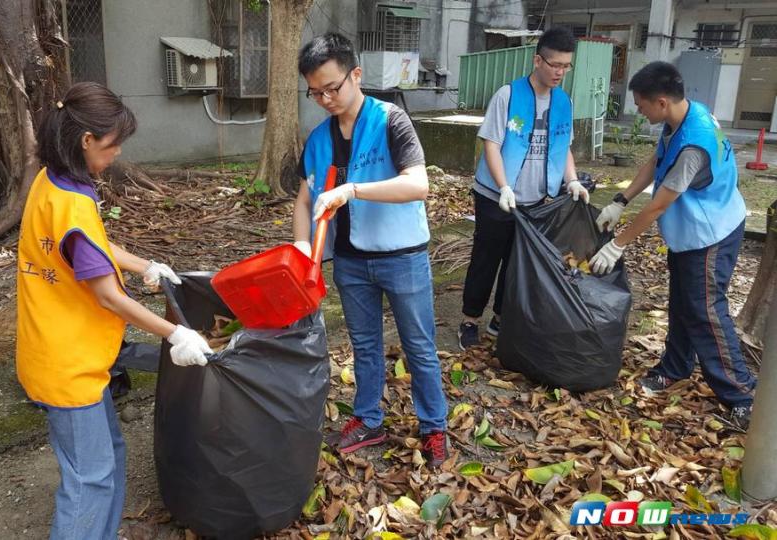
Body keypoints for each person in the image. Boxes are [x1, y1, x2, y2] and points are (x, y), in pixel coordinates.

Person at [15, 82, 213, 539]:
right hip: (69, 366)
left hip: (67, 353)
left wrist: (147, 265)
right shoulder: (72, 205)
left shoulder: (53, 181)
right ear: (86, 141)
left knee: (108, 460)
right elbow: (107, 295)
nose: (117, 153)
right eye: (112, 144)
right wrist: (175, 333)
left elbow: (90, 247)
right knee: (89, 481)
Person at [292, 33, 449, 467]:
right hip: (350, 261)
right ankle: (368, 419)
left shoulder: (390, 120)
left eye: (332, 88)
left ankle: (434, 427)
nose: (325, 99)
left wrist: (353, 189)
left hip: (402, 257)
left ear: (355, 74)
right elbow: (304, 200)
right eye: (315, 92)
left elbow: (418, 184)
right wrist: (302, 246)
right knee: (364, 345)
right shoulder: (319, 138)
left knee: (419, 346)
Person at [589, 61, 755, 429]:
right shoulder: (682, 118)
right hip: (691, 231)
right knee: (684, 302)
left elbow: (661, 204)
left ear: (661, 101)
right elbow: (656, 161)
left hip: (713, 232)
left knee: (706, 310)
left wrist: (618, 244)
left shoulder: (693, 144)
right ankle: (675, 367)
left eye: (641, 104)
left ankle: (742, 393)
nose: (639, 110)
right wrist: (620, 198)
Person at [458, 27, 589, 350]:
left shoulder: (563, 102)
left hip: (537, 199)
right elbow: (491, 144)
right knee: (487, 257)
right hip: (495, 196)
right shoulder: (508, 95)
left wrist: (571, 179)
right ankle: (469, 320)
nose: (560, 72)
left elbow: (563, 146)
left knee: (519, 261)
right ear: (537, 60)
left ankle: (500, 318)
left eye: (566, 66)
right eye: (555, 64)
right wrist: (504, 187)